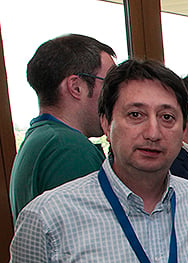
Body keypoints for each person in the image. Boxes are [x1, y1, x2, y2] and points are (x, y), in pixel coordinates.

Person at [4, 59, 188, 263]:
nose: (153, 132)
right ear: (106, 122)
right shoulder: (48, 220)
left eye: (167, 117)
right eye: (136, 114)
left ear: (182, 128)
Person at [9, 34, 116, 221]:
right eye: (110, 84)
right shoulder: (68, 148)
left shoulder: (39, 139)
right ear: (76, 87)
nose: (115, 94)